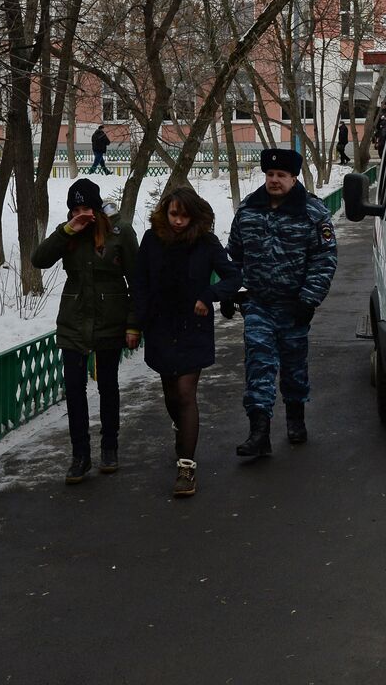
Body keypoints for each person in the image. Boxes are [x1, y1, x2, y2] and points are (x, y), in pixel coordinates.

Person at [228, 148, 338, 457]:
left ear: (293, 177)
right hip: (259, 304)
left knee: (293, 366)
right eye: (270, 175)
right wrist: (234, 291)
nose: (274, 181)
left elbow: (324, 259)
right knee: (258, 364)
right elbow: (233, 255)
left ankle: (295, 417)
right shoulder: (249, 210)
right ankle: (259, 431)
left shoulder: (313, 212)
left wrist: (308, 300)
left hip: (294, 305)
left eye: (281, 176)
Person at [133, 187, 240, 497]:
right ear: (165, 213)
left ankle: (186, 467)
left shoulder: (206, 242)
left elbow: (233, 276)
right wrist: (138, 321)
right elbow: (140, 281)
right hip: (161, 326)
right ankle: (181, 429)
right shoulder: (152, 240)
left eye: (184, 215)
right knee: (171, 394)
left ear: (194, 215)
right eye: (173, 214)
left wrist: (210, 295)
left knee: (185, 392)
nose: (178, 221)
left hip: (194, 327)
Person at [31, 178, 139, 484]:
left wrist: (133, 323)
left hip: (110, 321)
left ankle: (109, 448)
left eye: (86, 208)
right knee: (75, 391)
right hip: (73, 323)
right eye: (75, 209)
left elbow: (137, 282)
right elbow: (38, 260)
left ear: (97, 208)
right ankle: (80, 455)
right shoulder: (68, 235)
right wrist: (66, 231)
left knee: (108, 386)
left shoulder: (121, 234)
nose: (82, 214)